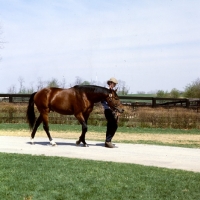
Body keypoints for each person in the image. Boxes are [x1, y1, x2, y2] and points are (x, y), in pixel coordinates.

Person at [101, 77, 119, 148]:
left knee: (112, 125)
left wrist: (116, 110)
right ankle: (108, 141)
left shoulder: (112, 91)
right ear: (110, 83)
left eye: (115, 84)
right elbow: (102, 101)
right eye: (114, 83)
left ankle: (108, 141)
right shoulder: (106, 91)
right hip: (108, 110)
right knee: (113, 125)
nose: (114, 85)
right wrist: (108, 107)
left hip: (112, 110)